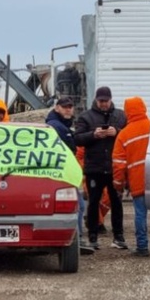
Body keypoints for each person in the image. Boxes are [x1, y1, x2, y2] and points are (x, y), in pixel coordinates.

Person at [113, 96, 150, 257]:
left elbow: (118, 164)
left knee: (140, 215)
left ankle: (142, 247)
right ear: (143, 108)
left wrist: (119, 185)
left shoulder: (123, 135)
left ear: (127, 113)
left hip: (138, 182)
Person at [74, 86, 128, 250]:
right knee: (93, 203)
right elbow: (77, 138)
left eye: (106, 101)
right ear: (96, 100)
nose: (103, 104)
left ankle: (118, 237)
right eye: (101, 101)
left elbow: (128, 134)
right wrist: (93, 135)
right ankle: (93, 237)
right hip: (94, 169)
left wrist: (117, 132)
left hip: (114, 168)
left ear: (111, 100)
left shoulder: (120, 116)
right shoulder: (85, 117)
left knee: (117, 203)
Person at [46, 96, 94, 255]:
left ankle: (76, 238)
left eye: (70, 107)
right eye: (64, 106)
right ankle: (76, 239)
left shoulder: (61, 125)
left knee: (78, 205)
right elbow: (71, 148)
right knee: (78, 206)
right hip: (63, 173)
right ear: (57, 107)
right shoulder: (56, 126)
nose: (68, 109)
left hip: (65, 172)